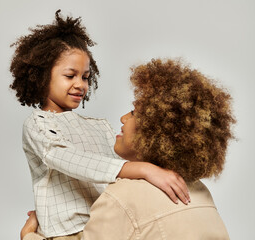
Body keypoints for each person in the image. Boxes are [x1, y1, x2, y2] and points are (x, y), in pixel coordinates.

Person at [10, 10, 189, 239]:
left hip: (107, 225)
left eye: (85, 77)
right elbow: (69, 160)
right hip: (68, 231)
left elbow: (118, 170)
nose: (80, 85)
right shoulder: (39, 124)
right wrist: (145, 170)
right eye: (70, 75)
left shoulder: (99, 127)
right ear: (42, 76)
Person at [21, 58, 235, 240]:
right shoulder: (199, 191)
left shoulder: (121, 197)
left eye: (133, 113)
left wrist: (28, 235)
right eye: (70, 76)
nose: (123, 118)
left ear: (155, 127)